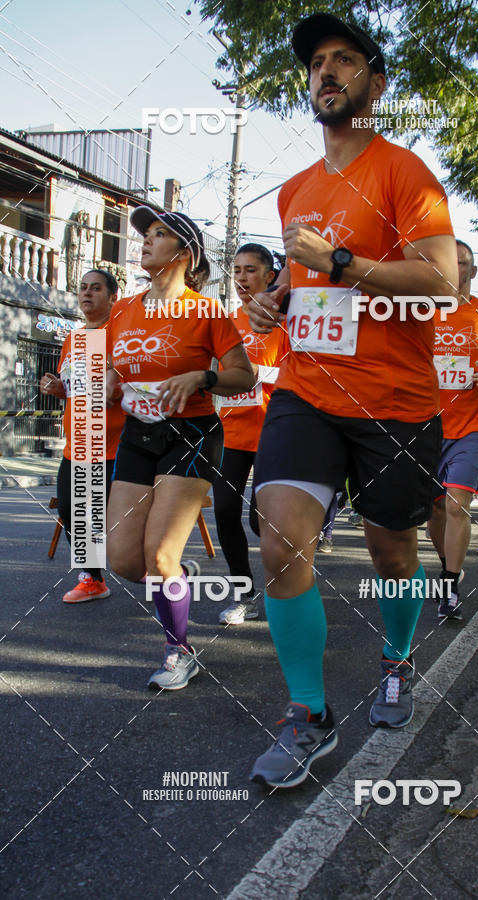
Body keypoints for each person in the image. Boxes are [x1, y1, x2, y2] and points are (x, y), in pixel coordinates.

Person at [245, 13, 457, 788]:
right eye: (316, 64)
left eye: (343, 60)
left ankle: (397, 657)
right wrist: (274, 299)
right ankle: (309, 713)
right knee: (279, 539)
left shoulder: (406, 174)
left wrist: (339, 259)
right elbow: (300, 283)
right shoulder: (297, 190)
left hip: (397, 402)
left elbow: (440, 277)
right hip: (309, 391)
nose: (325, 72)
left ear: (376, 81)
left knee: (392, 550)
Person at [106, 207, 254, 690]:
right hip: (138, 433)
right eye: (146, 234)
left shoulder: (206, 311)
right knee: (125, 560)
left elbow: (244, 376)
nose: (147, 241)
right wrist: (104, 385)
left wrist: (203, 375)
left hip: (191, 434)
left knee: (160, 558)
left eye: (160, 234)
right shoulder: (124, 309)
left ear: (185, 254)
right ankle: (174, 574)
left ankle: (178, 650)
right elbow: (113, 368)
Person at [427, 240, 478, 619]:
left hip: (472, 427)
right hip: (425, 426)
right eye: (448, 262)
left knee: (458, 504)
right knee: (436, 510)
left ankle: (451, 584)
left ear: (472, 271)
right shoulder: (420, 312)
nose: (454, 268)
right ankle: (445, 567)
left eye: (462, 263)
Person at [40, 269, 125, 603]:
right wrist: (59, 389)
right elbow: (73, 387)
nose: (87, 294)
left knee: (109, 518)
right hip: (77, 442)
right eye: (83, 288)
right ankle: (93, 579)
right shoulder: (74, 339)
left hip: (113, 441)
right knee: (72, 508)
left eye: (96, 288)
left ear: (113, 297)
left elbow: (126, 383)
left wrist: (112, 384)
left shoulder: (120, 334)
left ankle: (151, 567)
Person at [213, 243, 285, 625]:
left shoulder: (286, 322)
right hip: (231, 432)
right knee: (225, 512)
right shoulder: (225, 322)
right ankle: (244, 595)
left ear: (270, 276)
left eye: (250, 270)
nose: (241, 278)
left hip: (276, 432)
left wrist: (261, 374)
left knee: (263, 522)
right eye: (236, 271)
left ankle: (288, 589)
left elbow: (303, 374)